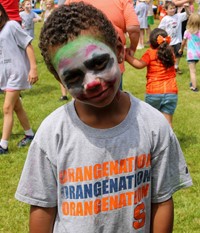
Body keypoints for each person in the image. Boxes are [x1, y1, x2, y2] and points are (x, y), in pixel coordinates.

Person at [15, 3, 192, 232]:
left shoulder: (153, 125)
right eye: (73, 76)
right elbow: (43, 208)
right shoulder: (52, 134)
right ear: (60, 80)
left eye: (99, 63)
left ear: (119, 50)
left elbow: (162, 200)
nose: (92, 82)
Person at [65, 0, 140, 90]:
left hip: (80, 58)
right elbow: (133, 28)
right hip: (112, 57)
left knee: (83, 96)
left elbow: (59, 21)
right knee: (113, 94)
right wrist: (132, 49)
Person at [0, 4, 38, 154]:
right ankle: (29, 134)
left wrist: (33, 68)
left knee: (7, 108)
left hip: (16, 73)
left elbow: (28, 44)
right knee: (16, 107)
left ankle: (3, 145)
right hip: (5, 77)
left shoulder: (11, 26)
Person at [126, 28, 177, 127]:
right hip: (171, 92)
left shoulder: (150, 53)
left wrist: (126, 57)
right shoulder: (170, 53)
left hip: (154, 92)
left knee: (151, 121)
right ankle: (168, 142)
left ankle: (152, 141)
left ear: (152, 42)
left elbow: (139, 64)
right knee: (168, 123)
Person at [158, 1, 190, 74]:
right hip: (169, 41)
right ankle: (168, 67)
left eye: (174, 8)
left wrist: (186, 8)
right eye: (170, 8)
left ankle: (176, 66)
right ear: (166, 10)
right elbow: (160, 29)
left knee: (178, 54)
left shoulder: (178, 16)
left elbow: (188, 15)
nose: (173, 10)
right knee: (168, 55)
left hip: (177, 40)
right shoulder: (165, 19)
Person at [178, 13, 200, 92]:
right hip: (198, 54)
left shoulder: (187, 32)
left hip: (191, 55)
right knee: (194, 70)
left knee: (192, 71)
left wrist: (181, 49)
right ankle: (193, 82)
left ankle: (194, 87)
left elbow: (183, 43)